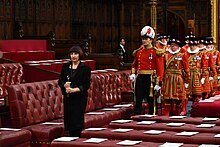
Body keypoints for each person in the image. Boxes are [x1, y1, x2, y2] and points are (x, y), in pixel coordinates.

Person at [130, 26, 164, 115]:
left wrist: (159, 82)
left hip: (151, 79)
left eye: (146, 39)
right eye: (143, 39)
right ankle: (137, 117)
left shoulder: (155, 52)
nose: (144, 41)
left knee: (151, 101)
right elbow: (134, 64)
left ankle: (151, 118)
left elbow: (160, 68)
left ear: (151, 40)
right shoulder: (139, 52)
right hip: (140, 77)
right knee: (138, 99)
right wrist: (133, 73)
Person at [58, 45, 91, 137]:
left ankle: (77, 140)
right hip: (68, 98)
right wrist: (64, 85)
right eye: (72, 54)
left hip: (79, 99)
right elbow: (60, 81)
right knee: (69, 122)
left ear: (80, 55)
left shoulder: (85, 68)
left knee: (77, 122)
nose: (73, 56)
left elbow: (86, 85)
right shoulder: (65, 66)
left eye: (75, 54)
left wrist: (75, 90)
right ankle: (71, 140)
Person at [163, 37, 190, 116]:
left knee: (179, 98)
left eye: (175, 45)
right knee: (167, 98)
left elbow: (186, 68)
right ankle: (167, 113)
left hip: (178, 78)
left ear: (178, 47)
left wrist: (187, 80)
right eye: (172, 45)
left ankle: (178, 112)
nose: (173, 47)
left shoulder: (182, 55)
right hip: (168, 78)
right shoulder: (166, 55)